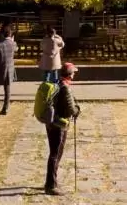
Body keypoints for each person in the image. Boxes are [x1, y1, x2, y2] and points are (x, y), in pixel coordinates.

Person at [44, 62, 81, 196]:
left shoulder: (57, 83)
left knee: (54, 152)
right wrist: (77, 110)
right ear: (70, 74)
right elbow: (71, 109)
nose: (75, 74)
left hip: (51, 123)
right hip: (59, 125)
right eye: (74, 72)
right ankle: (51, 185)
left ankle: (51, 180)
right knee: (55, 153)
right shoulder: (65, 87)